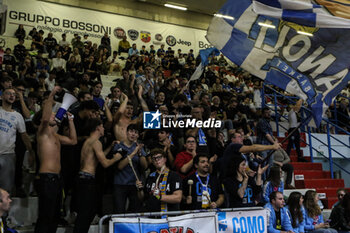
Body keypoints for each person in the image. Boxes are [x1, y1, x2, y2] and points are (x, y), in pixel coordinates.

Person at [33, 86, 77, 233]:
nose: (54, 116)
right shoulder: (42, 132)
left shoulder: (56, 136)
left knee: (54, 216)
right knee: (45, 215)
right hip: (47, 179)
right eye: (52, 115)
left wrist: (70, 121)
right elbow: (45, 117)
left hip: (57, 179)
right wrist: (51, 94)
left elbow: (73, 141)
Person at [73, 118, 122, 233]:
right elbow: (104, 163)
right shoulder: (96, 142)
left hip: (82, 179)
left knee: (86, 213)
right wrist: (116, 158)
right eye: (102, 126)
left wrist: (110, 147)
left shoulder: (89, 141)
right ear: (98, 127)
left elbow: (96, 158)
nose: (104, 128)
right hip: (87, 181)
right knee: (85, 215)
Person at [0, 88, 34, 193]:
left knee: (6, 189)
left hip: (8, 155)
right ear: (1, 96)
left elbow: (24, 135)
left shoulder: (18, 116)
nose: (12, 96)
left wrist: (31, 152)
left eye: (14, 94)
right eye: (9, 93)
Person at [111, 124, 147, 213]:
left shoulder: (138, 147)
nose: (133, 134)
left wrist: (140, 153)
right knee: (119, 210)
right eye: (131, 131)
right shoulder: (119, 146)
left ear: (138, 135)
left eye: (136, 132)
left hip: (134, 184)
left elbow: (144, 166)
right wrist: (134, 153)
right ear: (126, 133)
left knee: (134, 210)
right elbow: (120, 166)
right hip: (120, 183)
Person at [138, 148, 182, 214]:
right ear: (152, 162)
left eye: (159, 157)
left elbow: (178, 198)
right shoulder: (151, 176)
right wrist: (140, 189)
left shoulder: (174, 176)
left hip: (168, 217)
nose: (157, 160)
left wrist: (159, 196)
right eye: (154, 158)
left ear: (165, 159)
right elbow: (142, 199)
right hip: (152, 217)